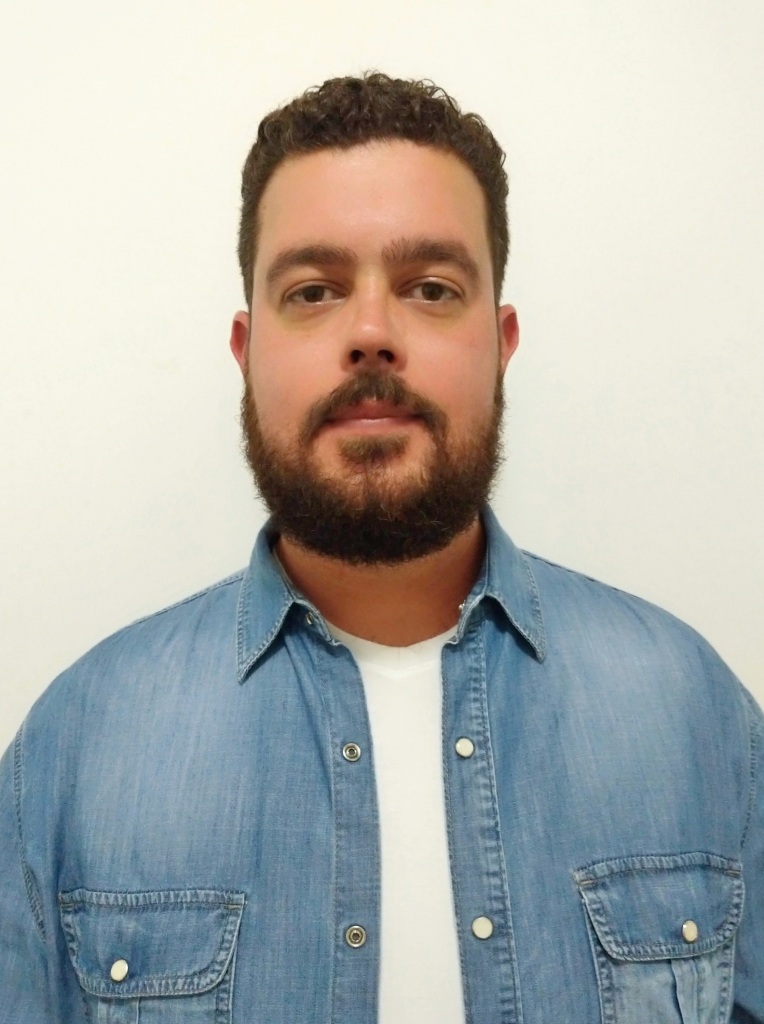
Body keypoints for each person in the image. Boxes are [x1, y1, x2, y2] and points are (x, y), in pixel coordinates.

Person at [1, 71, 762, 1024]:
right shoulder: (74, 749)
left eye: (431, 288)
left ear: (501, 343)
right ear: (246, 351)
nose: (370, 334)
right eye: (314, 291)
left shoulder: (696, 716)